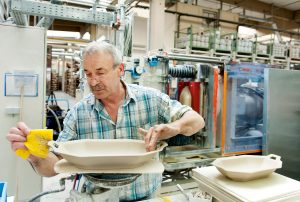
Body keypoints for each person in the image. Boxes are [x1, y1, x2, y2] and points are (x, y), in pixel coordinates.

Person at [6, 41, 205, 201]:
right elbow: (54, 166)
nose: (93, 81)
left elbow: (196, 121)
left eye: (100, 72)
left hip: (146, 196)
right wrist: (34, 154)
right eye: (88, 74)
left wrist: (173, 127)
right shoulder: (79, 113)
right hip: (98, 197)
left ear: (120, 70)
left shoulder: (151, 100)